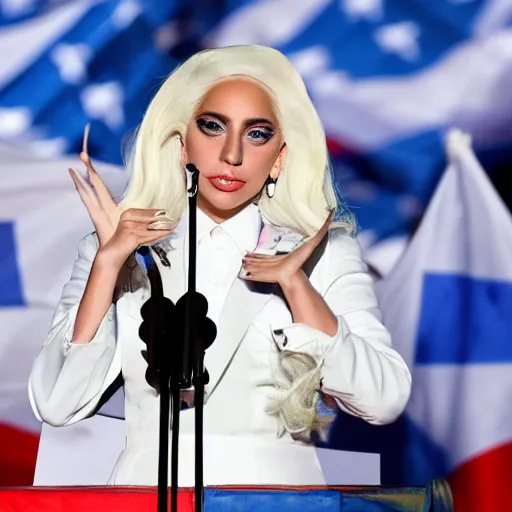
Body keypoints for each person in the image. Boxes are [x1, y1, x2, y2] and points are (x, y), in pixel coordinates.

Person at [28, 45, 411, 486]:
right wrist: (109, 262)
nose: (232, 154)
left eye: (257, 134)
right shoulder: (117, 251)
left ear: (281, 157)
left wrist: (296, 286)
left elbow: (384, 398)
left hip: (278, 499)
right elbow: (56, 403)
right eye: (212, 127)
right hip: (145, 495)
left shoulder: (324, 253)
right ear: (181, 144)